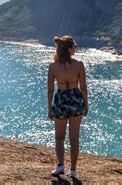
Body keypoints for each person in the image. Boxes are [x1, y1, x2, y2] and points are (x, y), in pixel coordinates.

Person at [47, 35, 89, 178]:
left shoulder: (53, 66)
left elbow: (50, 90)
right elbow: (83, 88)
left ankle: (60, 166)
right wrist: (86, 105)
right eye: (74, 47)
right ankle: (73, 170)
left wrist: (49, 108)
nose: (75, 49)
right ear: (69, 49)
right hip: (76, 99)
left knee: (59, 137)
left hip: (60, 99)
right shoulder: (79, 65)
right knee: (74, 138)